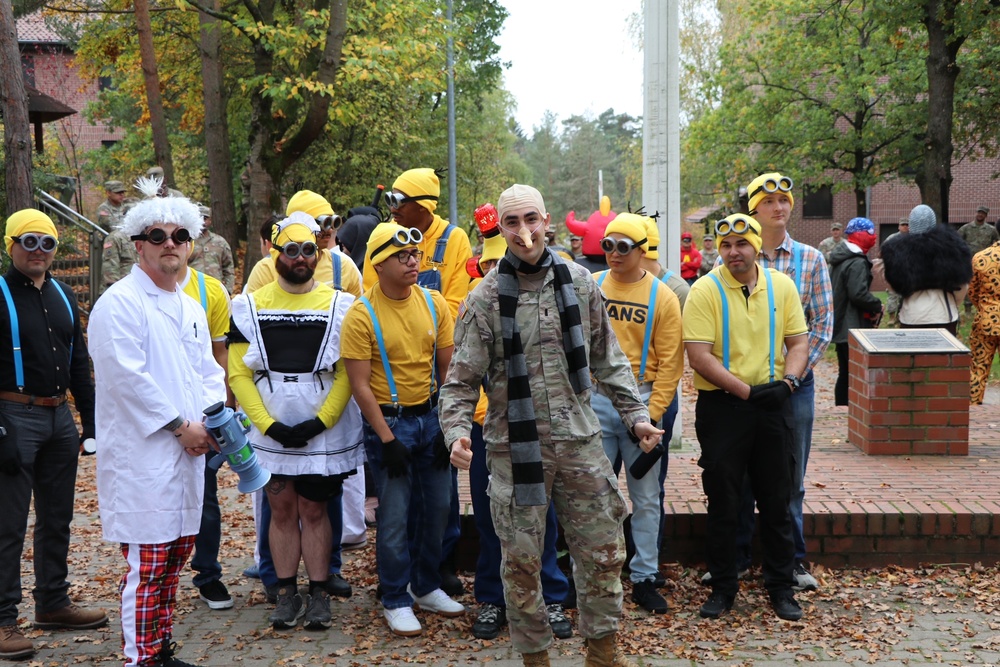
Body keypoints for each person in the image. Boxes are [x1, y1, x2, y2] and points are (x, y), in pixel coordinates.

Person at [439, 184, 662, 667]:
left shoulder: (581, 283)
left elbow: (610, 358)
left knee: (603, 552)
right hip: (514, 452)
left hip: (581, 442)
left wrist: (637, 416)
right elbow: (459, 382)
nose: (524, 232)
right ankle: (535, 657)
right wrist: (456, 432)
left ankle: (602, 652)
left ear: (547, 222)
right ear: (501, 229)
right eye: (512, 223)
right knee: (520, 566)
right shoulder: (482, 299)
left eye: (531, 219)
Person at [88, 191, 225, 667]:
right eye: (158, 236)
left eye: (180, 235)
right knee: (147, 568)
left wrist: (208, 423)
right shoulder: (119, 303)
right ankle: (140, 660)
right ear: (139, 245)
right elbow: (126, 377)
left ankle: (158, 649)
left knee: (173, 563)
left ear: (191, 244)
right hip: (144, 457)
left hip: (188, 452)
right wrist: (177, 426)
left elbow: (208, 370)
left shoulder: (189, 304)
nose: (171, 243)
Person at [228, 211, 365, 630]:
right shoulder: (248, 305)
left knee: (316, 508)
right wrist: (266, 425)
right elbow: (237, 373)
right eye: (292, 250)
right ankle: (286, 592)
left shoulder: (342, 305)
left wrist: (321, 421)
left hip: (323, 425)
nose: (301, 258)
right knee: (281, 507)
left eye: (309, 249)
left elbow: (347, 370)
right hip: (271, 419)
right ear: (275, 254)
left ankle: (319, 593)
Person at [683, 213, 808, 622]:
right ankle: (722, 587)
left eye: (742, 244)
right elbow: (699, 356)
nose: (734, 252)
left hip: (774, 404)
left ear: (756, 246)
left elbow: (799, 341)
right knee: (724, 500)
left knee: (777, 498)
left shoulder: (782, 285)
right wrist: (748, 391)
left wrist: (789, 382)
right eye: (726, 246)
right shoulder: (704, 289)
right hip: (724, 409)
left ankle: (781, 587)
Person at [342, 222, 463, 637]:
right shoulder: (362, 314)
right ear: (378, 264)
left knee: (439, 509)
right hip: (390, 423)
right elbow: (359, 384)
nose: (414, 261)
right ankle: (395, 596)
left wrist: (449, 426)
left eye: (414, 255)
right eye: (402, 256)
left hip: (432, 418)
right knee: (393, 518)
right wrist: (387, 440)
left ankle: (425, 584)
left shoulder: (434, 304)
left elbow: (448, 373)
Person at [464, 208, 573, 642]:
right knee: (494, 519)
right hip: (488, 430)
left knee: (541, 518)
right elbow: (462, 373)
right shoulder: (477, 301)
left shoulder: (551, 292)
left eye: (498, 260)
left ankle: (550, 597)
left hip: (542, 428)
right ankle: (493, 599)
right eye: (487, 262)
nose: (494, 267)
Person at [0, 210, 105, 661]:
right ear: (10, 245)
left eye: (47, 243)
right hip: (12, 413)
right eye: (29, 241)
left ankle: (53, 602)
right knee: (7, 525)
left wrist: (91, 424)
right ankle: (3, 619)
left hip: (59, 418)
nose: (38, 251)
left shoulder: (63, 293)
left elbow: (79, 362)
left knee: (58, 517)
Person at [729, 172, 832, 593]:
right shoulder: (732, 257)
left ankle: (791, 562)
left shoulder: (811, 259)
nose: (779, 206)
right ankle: (734, 559)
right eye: (769, 200)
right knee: (740, 473)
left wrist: (795, 376)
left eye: (784, 199)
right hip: (746, 387)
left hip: (795, 387)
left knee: (790, 475)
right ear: (754, 209)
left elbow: (822, 325)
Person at [593, 213, 683, 615]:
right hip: (596, 402)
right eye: (607, 245)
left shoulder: (661, 296)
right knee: (593, 495)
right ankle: (596, 572)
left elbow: (671, 363)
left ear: (640, 250)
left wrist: (653, 415)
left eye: (622, 246)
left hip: (644, 402)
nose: (613, 253)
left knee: (646, 497)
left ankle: (644, 575)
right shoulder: (592, 287)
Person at [176, 246, 235, 611]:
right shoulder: (133, 295)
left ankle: (208, 575)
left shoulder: (211, 290)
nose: (171, 244)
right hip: (160, 416)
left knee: (206, 496)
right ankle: (158, 574)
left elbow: (220, 353)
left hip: (202, 413)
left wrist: (224, 405)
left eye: (180, 236)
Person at [362, 168, 473, 320]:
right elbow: (371, 297)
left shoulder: (455, 239)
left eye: (399, 201)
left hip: (439, 337)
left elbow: (455, 305)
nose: (393, 209)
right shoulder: (381, 238)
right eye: (390, 200)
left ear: (423, 205)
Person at [245, 190, 362, 298]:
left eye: (332, 223)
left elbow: (354, 315)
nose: (330, 231)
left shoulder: (343, 266)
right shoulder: (267, 269)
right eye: (323, 224)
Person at [881, 204, 971, 335]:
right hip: (944, 313)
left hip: (911, 315)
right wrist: (954, 302)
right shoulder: (950, 247)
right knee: (943, 355)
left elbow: (893, 284)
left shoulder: (897, 250)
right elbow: (962, 286)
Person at [829, 217, 883, 407]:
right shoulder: (857, 262)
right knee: (853, 372)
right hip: (853, 326)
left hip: (842, 324)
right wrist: (877, 305)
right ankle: (849, 411)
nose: (874, 237)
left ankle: (841, 411)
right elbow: (858, 294)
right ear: (860, 235)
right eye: (870, 233)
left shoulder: (840, 257)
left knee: (845, 372)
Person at [969, 238, 1000, 405]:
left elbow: (973, 291)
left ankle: (973, 409)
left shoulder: (981, 257)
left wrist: (984, 307)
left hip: (986, 320)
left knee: (978, 368)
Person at [958, 206, 999, 317]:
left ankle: (982, 307)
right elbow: (957, 241)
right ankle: (967, 309)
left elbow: (997, 241)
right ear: (976, 213)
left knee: (984, 284)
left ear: (986, 215)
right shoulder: (966, 228)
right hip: (969, 261)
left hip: (986, 263)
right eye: (979, 212)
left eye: (983, 213)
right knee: (970, 284)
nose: (980, 215)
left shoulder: (991, 230)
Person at [99, 181, 139, 289]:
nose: (122, 195)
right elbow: (112, 226)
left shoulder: (127, 205)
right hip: (115, 245)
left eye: (123, 192)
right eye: (118, 192)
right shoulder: (104, 209)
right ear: (108, 193)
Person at [187, 205, 235, 293]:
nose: (202, 221)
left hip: (215, 290)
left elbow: (229, 267)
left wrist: (228, 290)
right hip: (192, 290)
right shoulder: (187, 242)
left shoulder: (220, 242)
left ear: (210, 220)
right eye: (199, 218)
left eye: (205, 218)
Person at [878, 218, 909, 326]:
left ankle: (900, 317)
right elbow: (881, 253)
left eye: (907, 224)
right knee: (893, 294)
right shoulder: (892, 238)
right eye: (903, 224)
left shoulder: (913, 238)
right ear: (899, 226)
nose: (905, 226)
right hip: (894, 270)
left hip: (908, 272)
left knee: (905, 295)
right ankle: (891, 317)